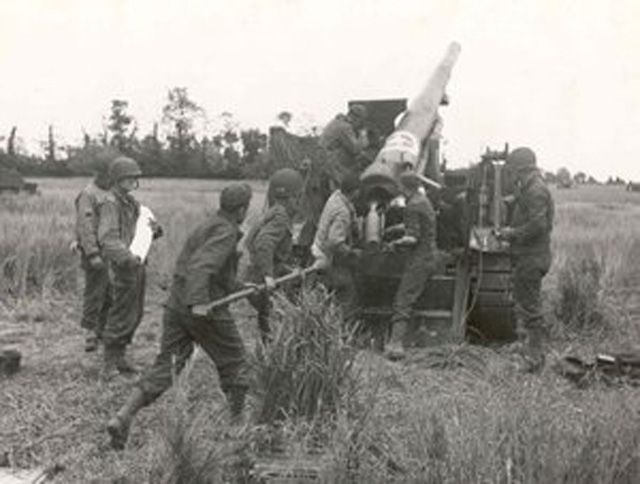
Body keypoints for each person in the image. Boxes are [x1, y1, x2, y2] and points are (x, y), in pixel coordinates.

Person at [107, 183, 253, 450]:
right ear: (242, 209)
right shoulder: (226, 231)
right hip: (202, 308)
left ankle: (124, 415)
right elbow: (201, 267)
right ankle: (237, 426)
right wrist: (198, 303)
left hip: (177, 305)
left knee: (167, 364)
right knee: (236, 361)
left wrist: (243, 288)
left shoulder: (209, 225)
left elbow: (211, 271)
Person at [98, 156, 158, 378]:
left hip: (135, 263)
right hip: (121, 266)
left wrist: (154, 230)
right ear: (118, 178)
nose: (135, 180)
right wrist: (127, 259)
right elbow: (108, 239)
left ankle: (120, 357)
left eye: (136, 177)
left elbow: (138, 231)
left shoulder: (131, 204)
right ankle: (109, 364)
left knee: (135, 312)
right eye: (130, 177)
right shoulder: (110, 204)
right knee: (120, 313)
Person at [496, 147, 554, 372]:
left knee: (530, 307)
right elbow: (527, 206)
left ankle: (535, 358)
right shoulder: (530, 188)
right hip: (528, 255)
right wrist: (512, 201)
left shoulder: (536, 190)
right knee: (523, 302)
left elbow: (538, 225)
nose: (514, 177)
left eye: (515, 173)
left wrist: (511, 233)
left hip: (532, 256)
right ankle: (527, 346)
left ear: (523, 170)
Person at [244, 168, 304, 345]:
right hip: (262, 283)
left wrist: (287, 269)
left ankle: (268, 357)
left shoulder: (273, 212)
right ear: (293, 198)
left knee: (268, 325)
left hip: (256, 278)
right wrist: (268, 274)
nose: (299, 203)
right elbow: (263, 244)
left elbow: (251, 242)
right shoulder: (281, 217)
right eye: (299, 198)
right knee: (281, 325)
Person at [385, 173, 438, 361]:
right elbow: (420, 226)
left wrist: (394, 244)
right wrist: (399, 228)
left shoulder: (412, 205)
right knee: (413, 298)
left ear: (403, 186)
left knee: (403, 300)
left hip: (419, 260)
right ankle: (416, 338)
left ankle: (396, 345)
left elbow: (413, 237)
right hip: (430, 256)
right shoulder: (422, 200)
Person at [74, 153, 113, 352]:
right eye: (106, 174)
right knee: (94, 293)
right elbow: (85, 225)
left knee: (110, 294)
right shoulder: (88, 194)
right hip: (96, 252)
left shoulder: (112, 193)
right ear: (98, 174)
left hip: (112, 251)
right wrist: (92, 253)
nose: (109, 178)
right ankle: (89, 333)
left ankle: (102, 331)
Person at [311, 172, 362, 325]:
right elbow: (335, 242)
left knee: (327, 295)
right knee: (347, 293)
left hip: (319, 249)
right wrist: (353, 253)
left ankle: (327, 325)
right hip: (328, 258)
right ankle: (342, 330)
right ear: (355, 191)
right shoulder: (342, 213)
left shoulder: (336, 197)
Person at [320, 103, 369, 186]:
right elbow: (356, 149)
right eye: (361, 120)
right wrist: (363, 134)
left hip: (325, 161)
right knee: (349, 186)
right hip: (333, 164)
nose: (360, 123)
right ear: (355, 118)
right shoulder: (344, 127)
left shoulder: (336, 122)